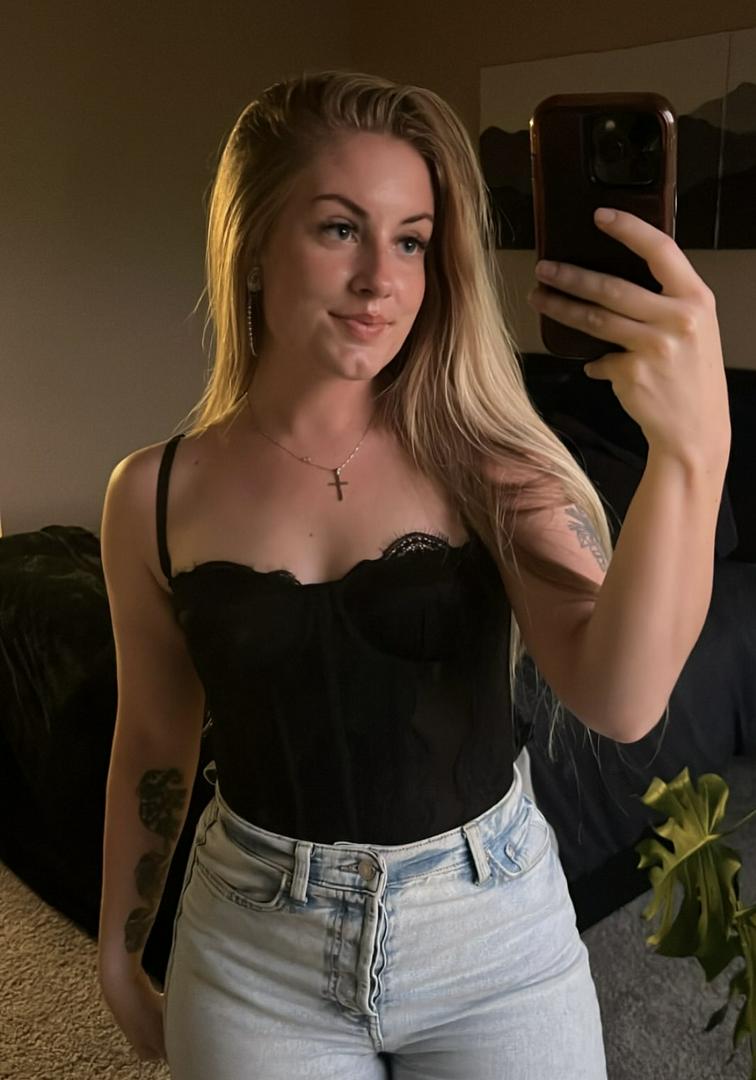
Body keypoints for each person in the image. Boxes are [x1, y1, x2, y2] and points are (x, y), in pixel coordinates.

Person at [96, 69, 731, 1079]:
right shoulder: (152, 494)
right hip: (251, 947)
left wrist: (693, 454)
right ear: (252, 243)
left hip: (492, 937)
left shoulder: (488, 462)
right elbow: (151, 737)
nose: (380, 281)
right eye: (340, 229)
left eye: (411, 241)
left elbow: (622, 698)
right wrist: (119, 947)